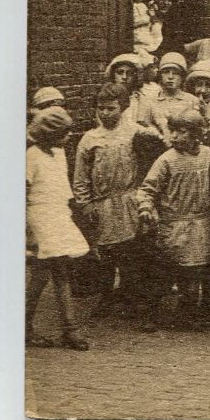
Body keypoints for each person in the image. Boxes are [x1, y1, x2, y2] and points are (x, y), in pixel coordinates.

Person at [137, 107, 210, 328]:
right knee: (165, 271)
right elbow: (148, 188)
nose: (173, 136)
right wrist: (145, 206)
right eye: (171, 131)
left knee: (195, 271)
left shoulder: (208, 156)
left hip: (200, 224)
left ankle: (188, 313)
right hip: (172, 224)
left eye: (180, 132)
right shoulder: (166, 160)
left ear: (195, 134)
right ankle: (152, 314)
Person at [73, 83, 158, 320]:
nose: (105, 113)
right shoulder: (90, 139)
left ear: (123, 108)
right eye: (101, 108)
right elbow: (81, 177)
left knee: (131, 252)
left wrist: (144, 200)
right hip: (103, 204)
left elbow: (148, 166)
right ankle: (107, 296)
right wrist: (86, 203)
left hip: (130, 200)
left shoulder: (136, 133)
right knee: (106, 254)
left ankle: (131, 297)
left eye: (111, 108)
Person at [26, 107, 92, 350]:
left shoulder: (59, 153)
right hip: (40, 217)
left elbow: (63, 189)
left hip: (57, 215)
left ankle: (63, 329)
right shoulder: (31, 156)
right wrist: (28, 231)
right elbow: (22, 193)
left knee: (54, 273)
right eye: (63, 133)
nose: (68, 137)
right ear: (49, 134)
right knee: (48, 275)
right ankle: (62, 329)